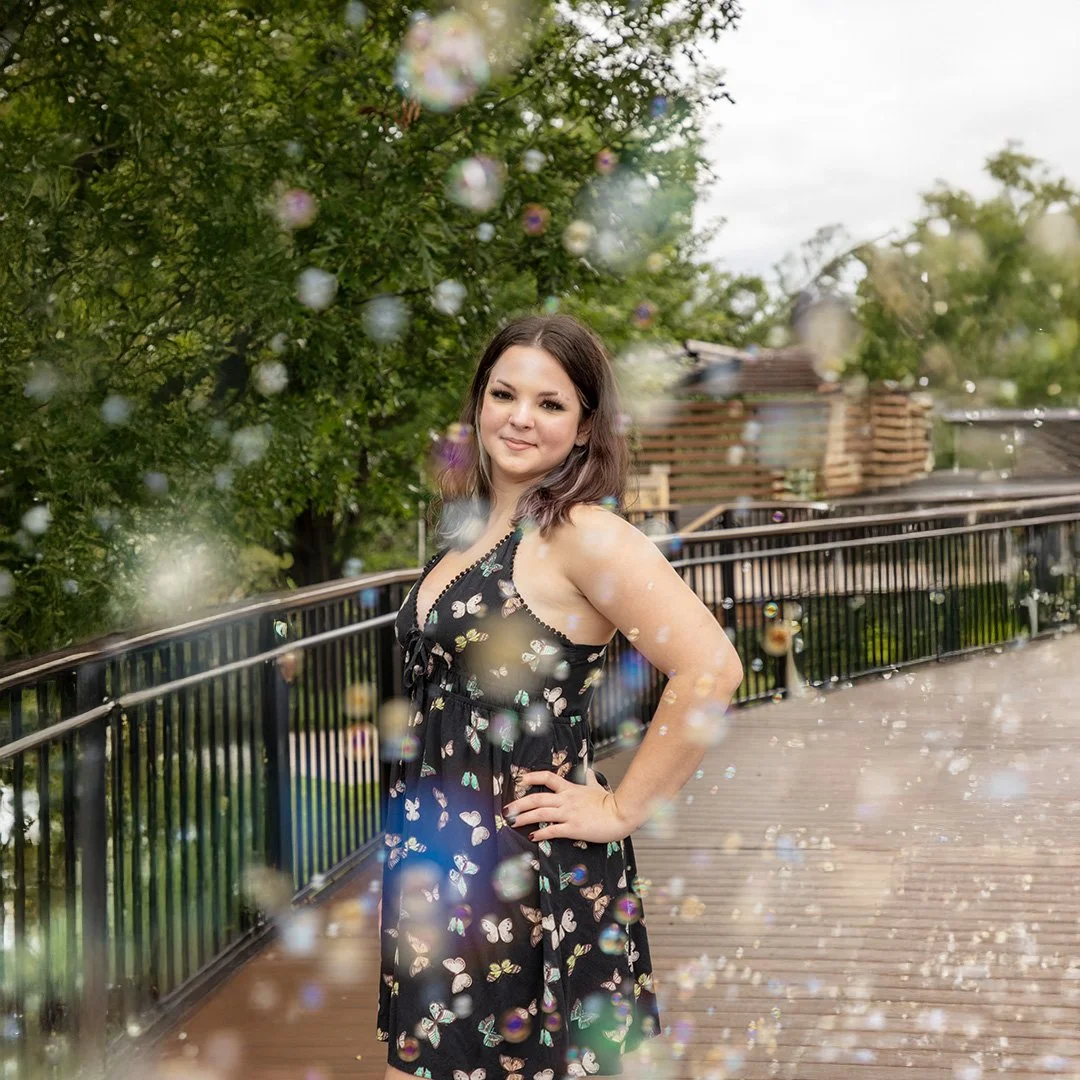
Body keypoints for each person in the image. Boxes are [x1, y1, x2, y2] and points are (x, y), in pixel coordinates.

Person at [379, 313, 744, 1079]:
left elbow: (711, 668)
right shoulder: (470, 532)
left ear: (584, 428)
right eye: (503, 393)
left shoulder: (581, 534)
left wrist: (619, 809)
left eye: (550, 403)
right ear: (478, 403)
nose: (520, 416)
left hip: (521, 868)